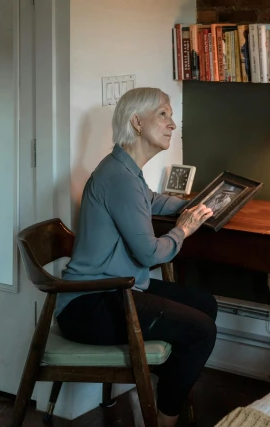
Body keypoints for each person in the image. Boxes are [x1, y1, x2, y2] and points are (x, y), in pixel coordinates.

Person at [55, 87, 215, 427]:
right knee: (201, 331)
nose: (173, 123)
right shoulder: (119, 178)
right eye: (163, 114)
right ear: (137, 122)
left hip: (115, 290)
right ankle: (161, 419)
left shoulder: (123, 168)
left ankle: (161, 395)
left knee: (204, 304)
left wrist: (192, 204)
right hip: (89, 304)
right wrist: (184, 229)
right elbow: (148, 254)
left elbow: (152, 200)